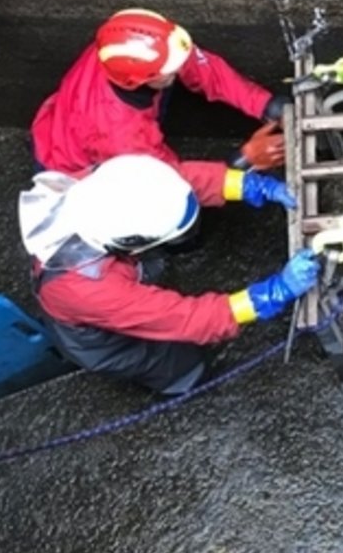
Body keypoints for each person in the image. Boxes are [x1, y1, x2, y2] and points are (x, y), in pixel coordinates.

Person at [18, 153, 320, 394]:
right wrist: (271, 293)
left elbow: (178, 184)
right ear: (129, 242)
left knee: (144, 284)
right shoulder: (91, 289)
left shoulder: (105, 189)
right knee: (166, 360)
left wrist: (249, 185)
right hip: (96, 338)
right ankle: (187, 383)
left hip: (103, 277)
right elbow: (184, 318)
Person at [31, 8, 291, 176]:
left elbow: (199, 66)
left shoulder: (126, 52)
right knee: (177, 221)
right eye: (170, 69)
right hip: (76, 170)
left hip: (61, 125)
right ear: (140, 80)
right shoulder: (123, 138)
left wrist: (265, 104)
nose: (181, 67)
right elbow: (169, 184)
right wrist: (242, 162)